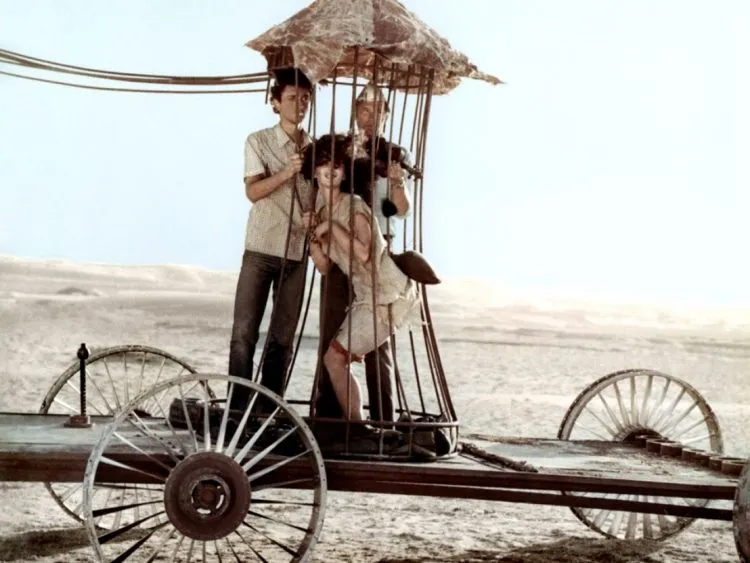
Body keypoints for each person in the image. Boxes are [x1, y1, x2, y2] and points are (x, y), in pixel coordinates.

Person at [303, 135, 422, 425]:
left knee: (335, 359)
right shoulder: (324, 210)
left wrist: (331, 227)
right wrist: (312, 239)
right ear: (314, 171)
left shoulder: (354, 205)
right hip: (366, 297)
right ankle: (356, 425)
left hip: (386, 295)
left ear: (345, 173)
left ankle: (360, 426)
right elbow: (324, 266)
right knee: (334, 359)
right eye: (323, 164)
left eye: (336, 165)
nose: (330, 171)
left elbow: (364, 254)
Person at [228, 67, 315, 414]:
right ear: (276, 103)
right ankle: (237, 410)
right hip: (261, 248)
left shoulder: (316, 148)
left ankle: (268, 412)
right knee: (244, 334)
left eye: (305, 99)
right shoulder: (258, 141)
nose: (300, 105)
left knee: (282, 339)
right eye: (292, 98)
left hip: (296, 253)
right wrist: (286, 173)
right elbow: (252, 191)